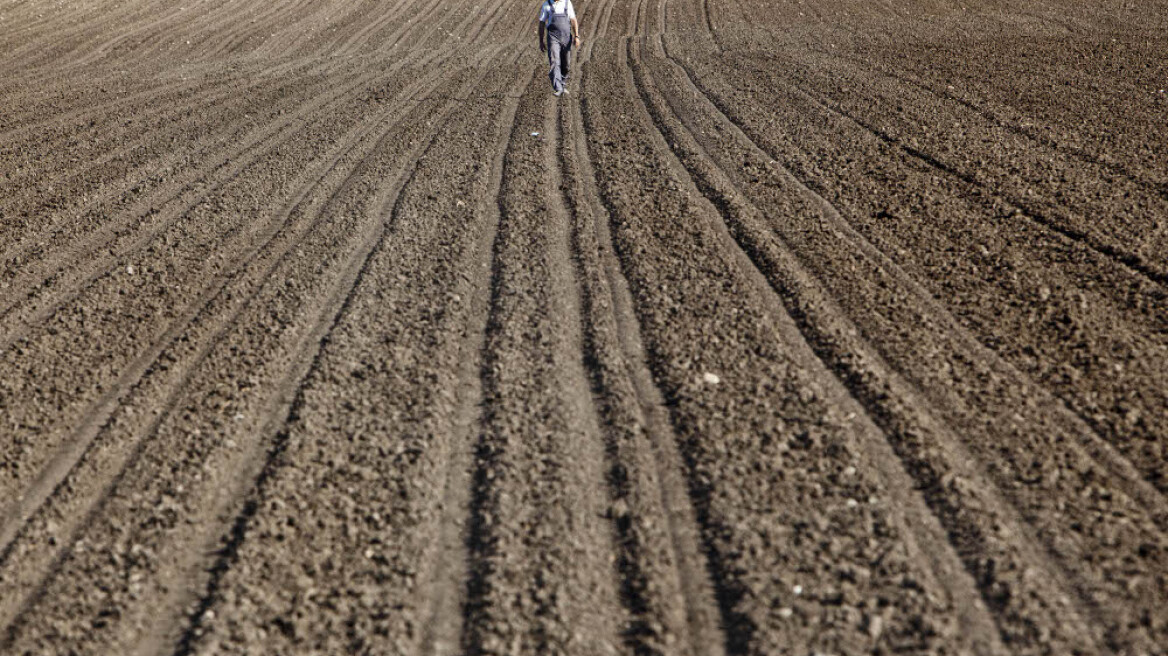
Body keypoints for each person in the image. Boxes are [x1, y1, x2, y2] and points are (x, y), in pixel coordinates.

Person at [537, 0, 581, 96]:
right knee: (554, 62)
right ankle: (558, 88)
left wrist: (576, 36)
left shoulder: (567, 3)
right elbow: (541, 23)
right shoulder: (546, 5)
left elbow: (573, 20)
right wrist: (541, 40)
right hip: (553, 37)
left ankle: (562, 83)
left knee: (566, 64)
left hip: (566, 38)